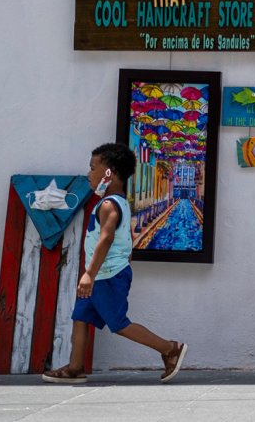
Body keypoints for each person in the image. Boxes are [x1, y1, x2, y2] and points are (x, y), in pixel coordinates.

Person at [43, 143, 187, 384]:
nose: (89, 174)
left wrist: (89, 273)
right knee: (81, 317)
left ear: (108, 173)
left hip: (106, 276)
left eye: (92, 169)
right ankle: (75, 367)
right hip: (100, 274)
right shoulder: (115, 202)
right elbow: (124, 235)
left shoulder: (109, 205)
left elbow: (107, 237)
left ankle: (170, 348)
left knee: (118, 323)